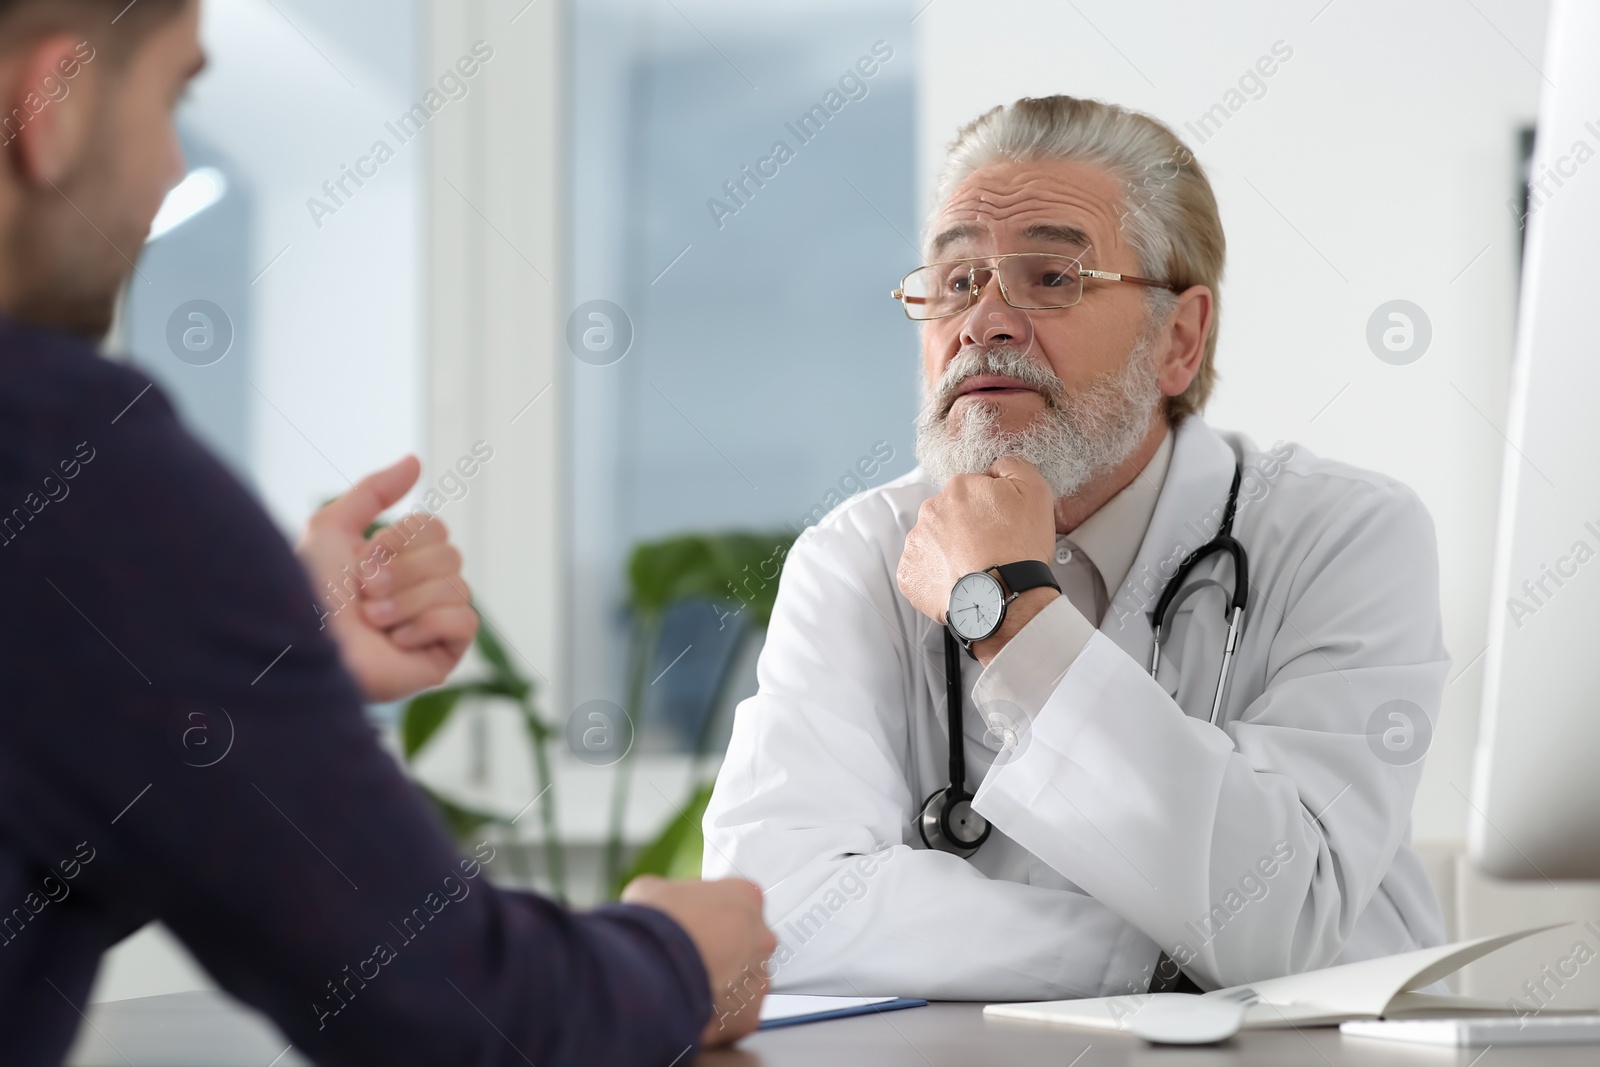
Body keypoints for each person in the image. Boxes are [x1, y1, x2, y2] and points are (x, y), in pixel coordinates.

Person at [0, 1, 772, 1063]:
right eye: (174, 97)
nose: (174, 171)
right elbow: (465, 1009)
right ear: (50, 106)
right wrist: (682, 951)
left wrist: (266, 669)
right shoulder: (69, 459)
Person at [704, 95, 1449, 1001]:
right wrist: (1171, 954)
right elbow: (775, 908)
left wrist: (1010, 612)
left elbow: (1283, 916)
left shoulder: (1345, 538)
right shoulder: (857, 556)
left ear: (1179, 338)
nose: (985, 322)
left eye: (1052, 278)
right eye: (956, 281)